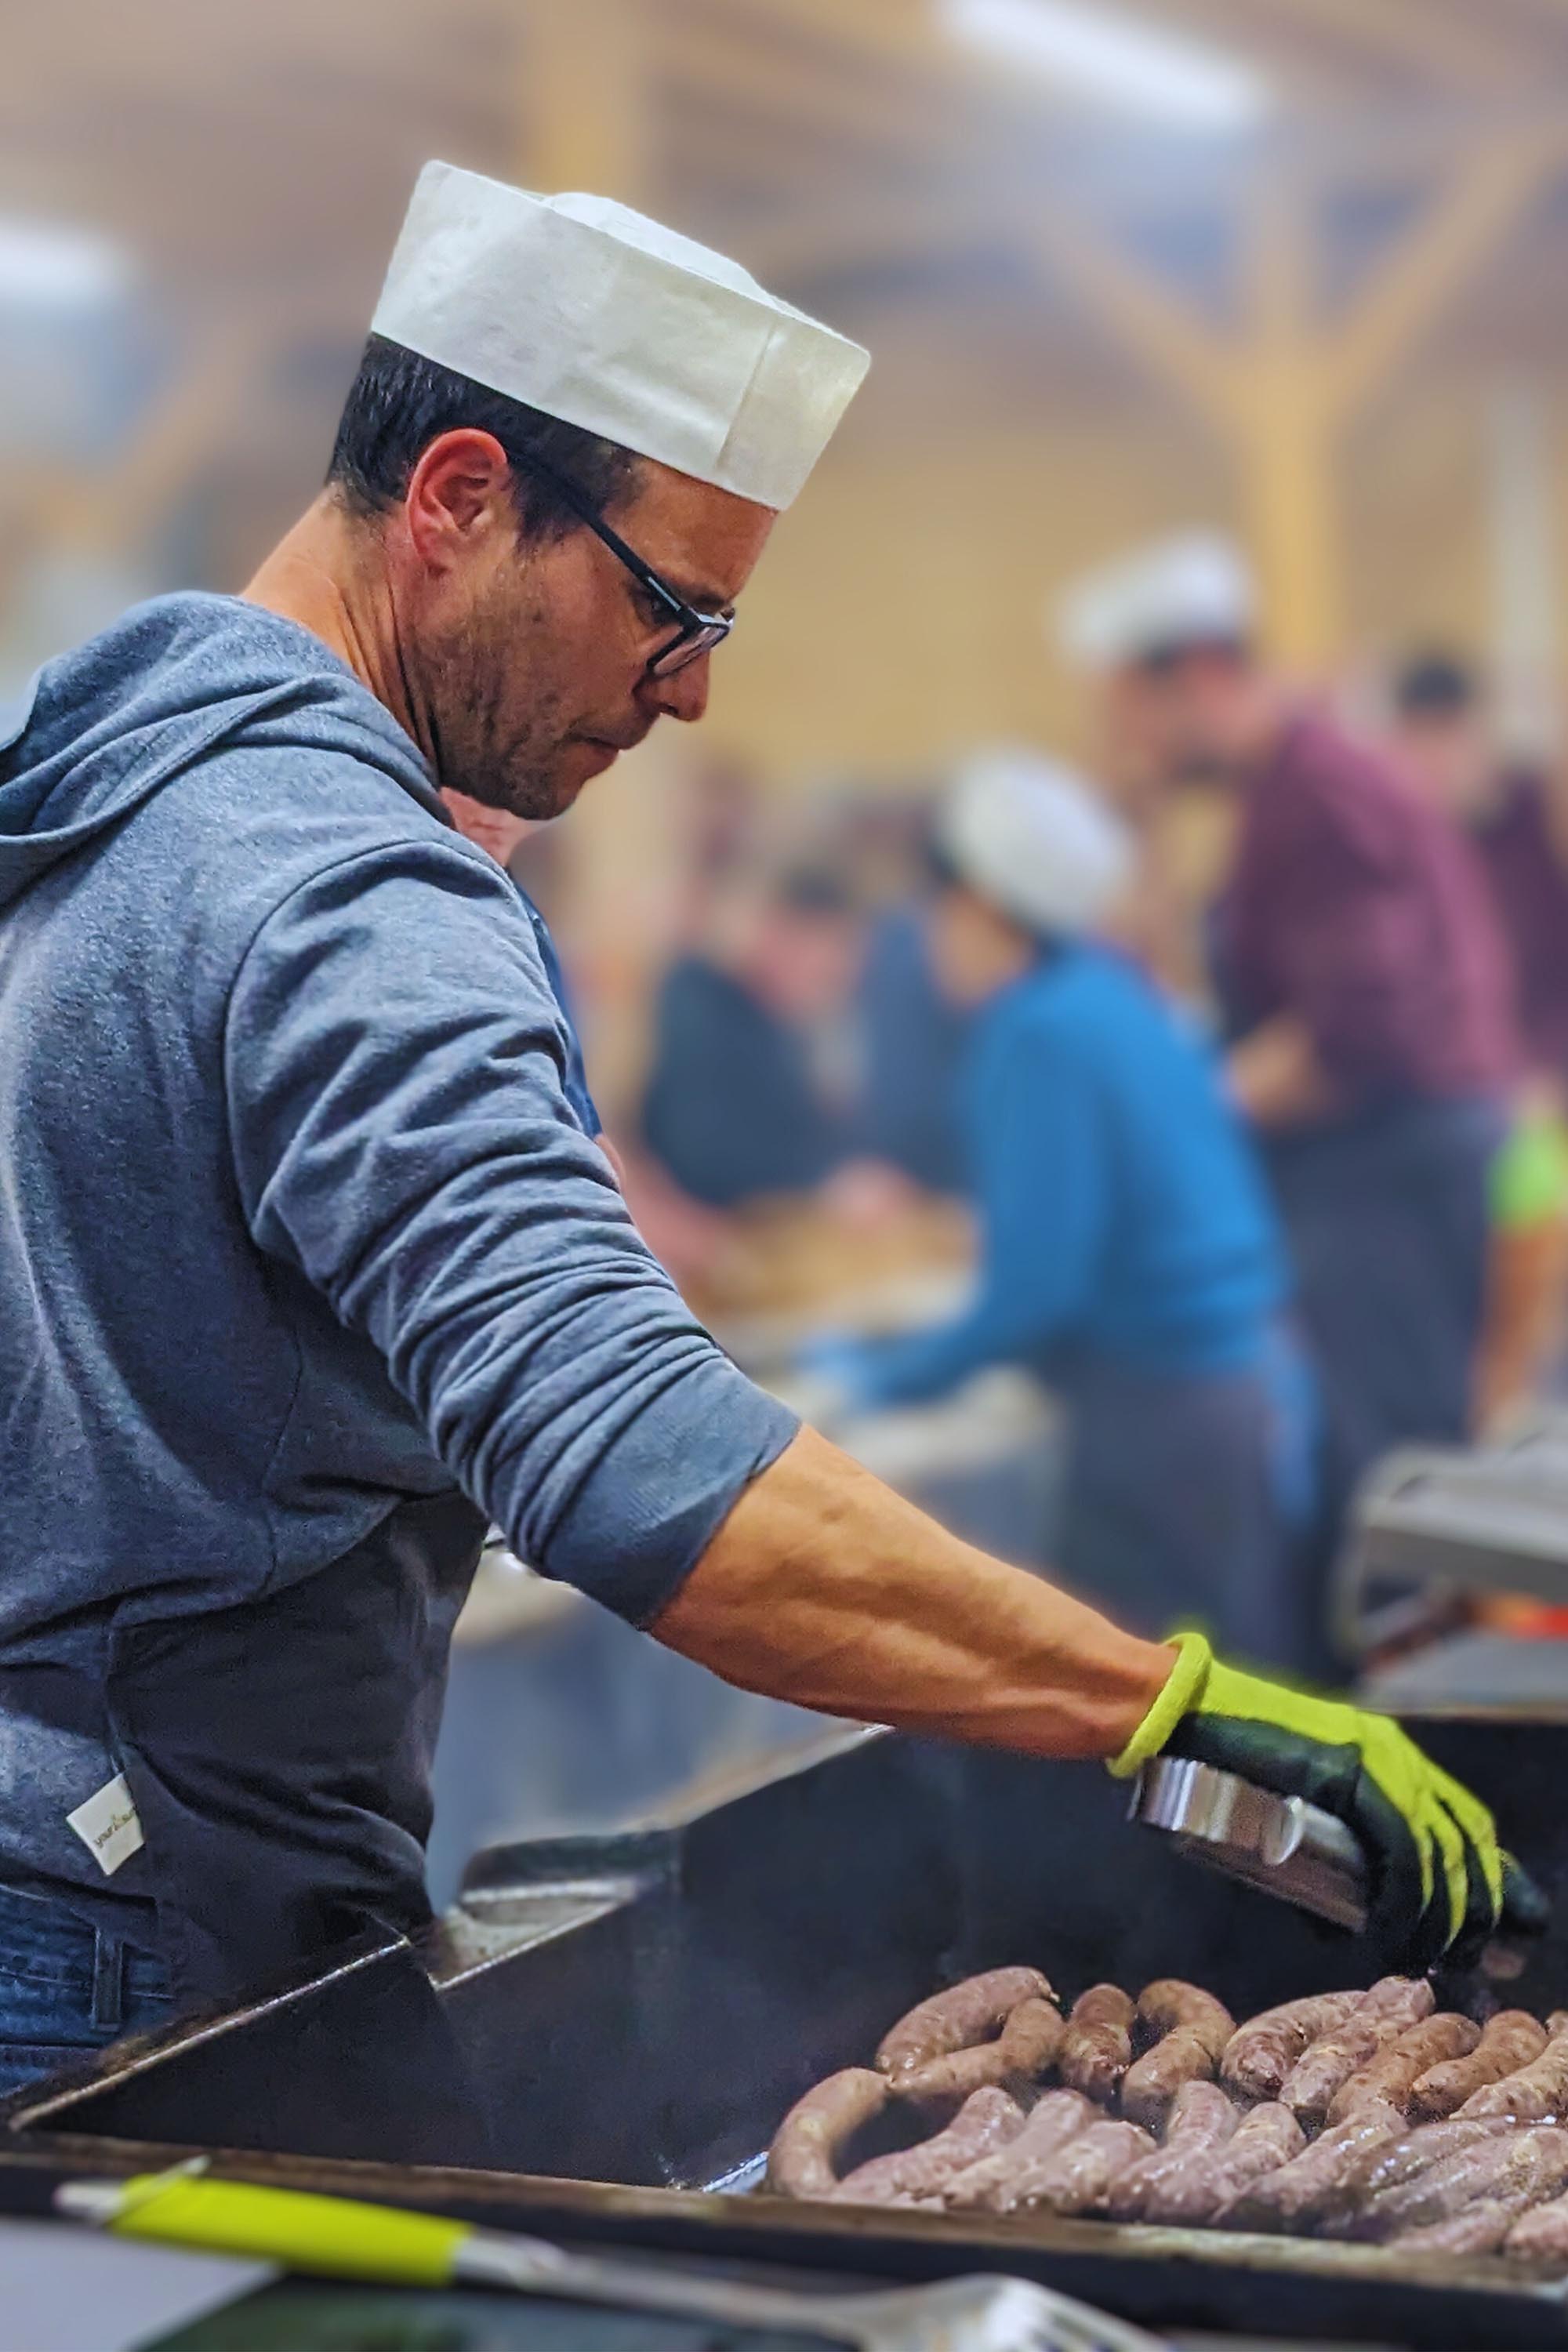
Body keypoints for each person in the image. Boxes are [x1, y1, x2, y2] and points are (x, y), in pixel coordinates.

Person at [0, 167, 1532, 2090]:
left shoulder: (106, 800)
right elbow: (633, 1457)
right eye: (669, 608)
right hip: (166, 1933)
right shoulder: (342, 889)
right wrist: (1169, 1705)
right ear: (460, 500)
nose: (697, 692)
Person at [1059, 536, 1521, 1544]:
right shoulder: (1271, 800)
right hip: (1361, 1191)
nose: (1126, 743)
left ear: (1198, 676)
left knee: (1398, 1490)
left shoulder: (1321, 798)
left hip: (1388, 1192)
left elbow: (1359, 1031)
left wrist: (1192, 1120)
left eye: (1130, 713)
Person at [808, 750, 1311, 1663]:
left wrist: (878, 1379)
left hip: (1159, 1426)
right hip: (1239, 1396)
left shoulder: (1034, 1030)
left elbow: (1036, 1291)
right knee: (1243, 1684)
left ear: (980, 909)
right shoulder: (1112, 998)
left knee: (1137, 1706)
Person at [639, 866, 865, 1207]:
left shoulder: (784, 1029)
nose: (832, 979)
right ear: (774, 933)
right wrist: (822, 1181)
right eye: (820, 963)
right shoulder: (698, 998)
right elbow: (703, 1154)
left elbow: (818, 1135)